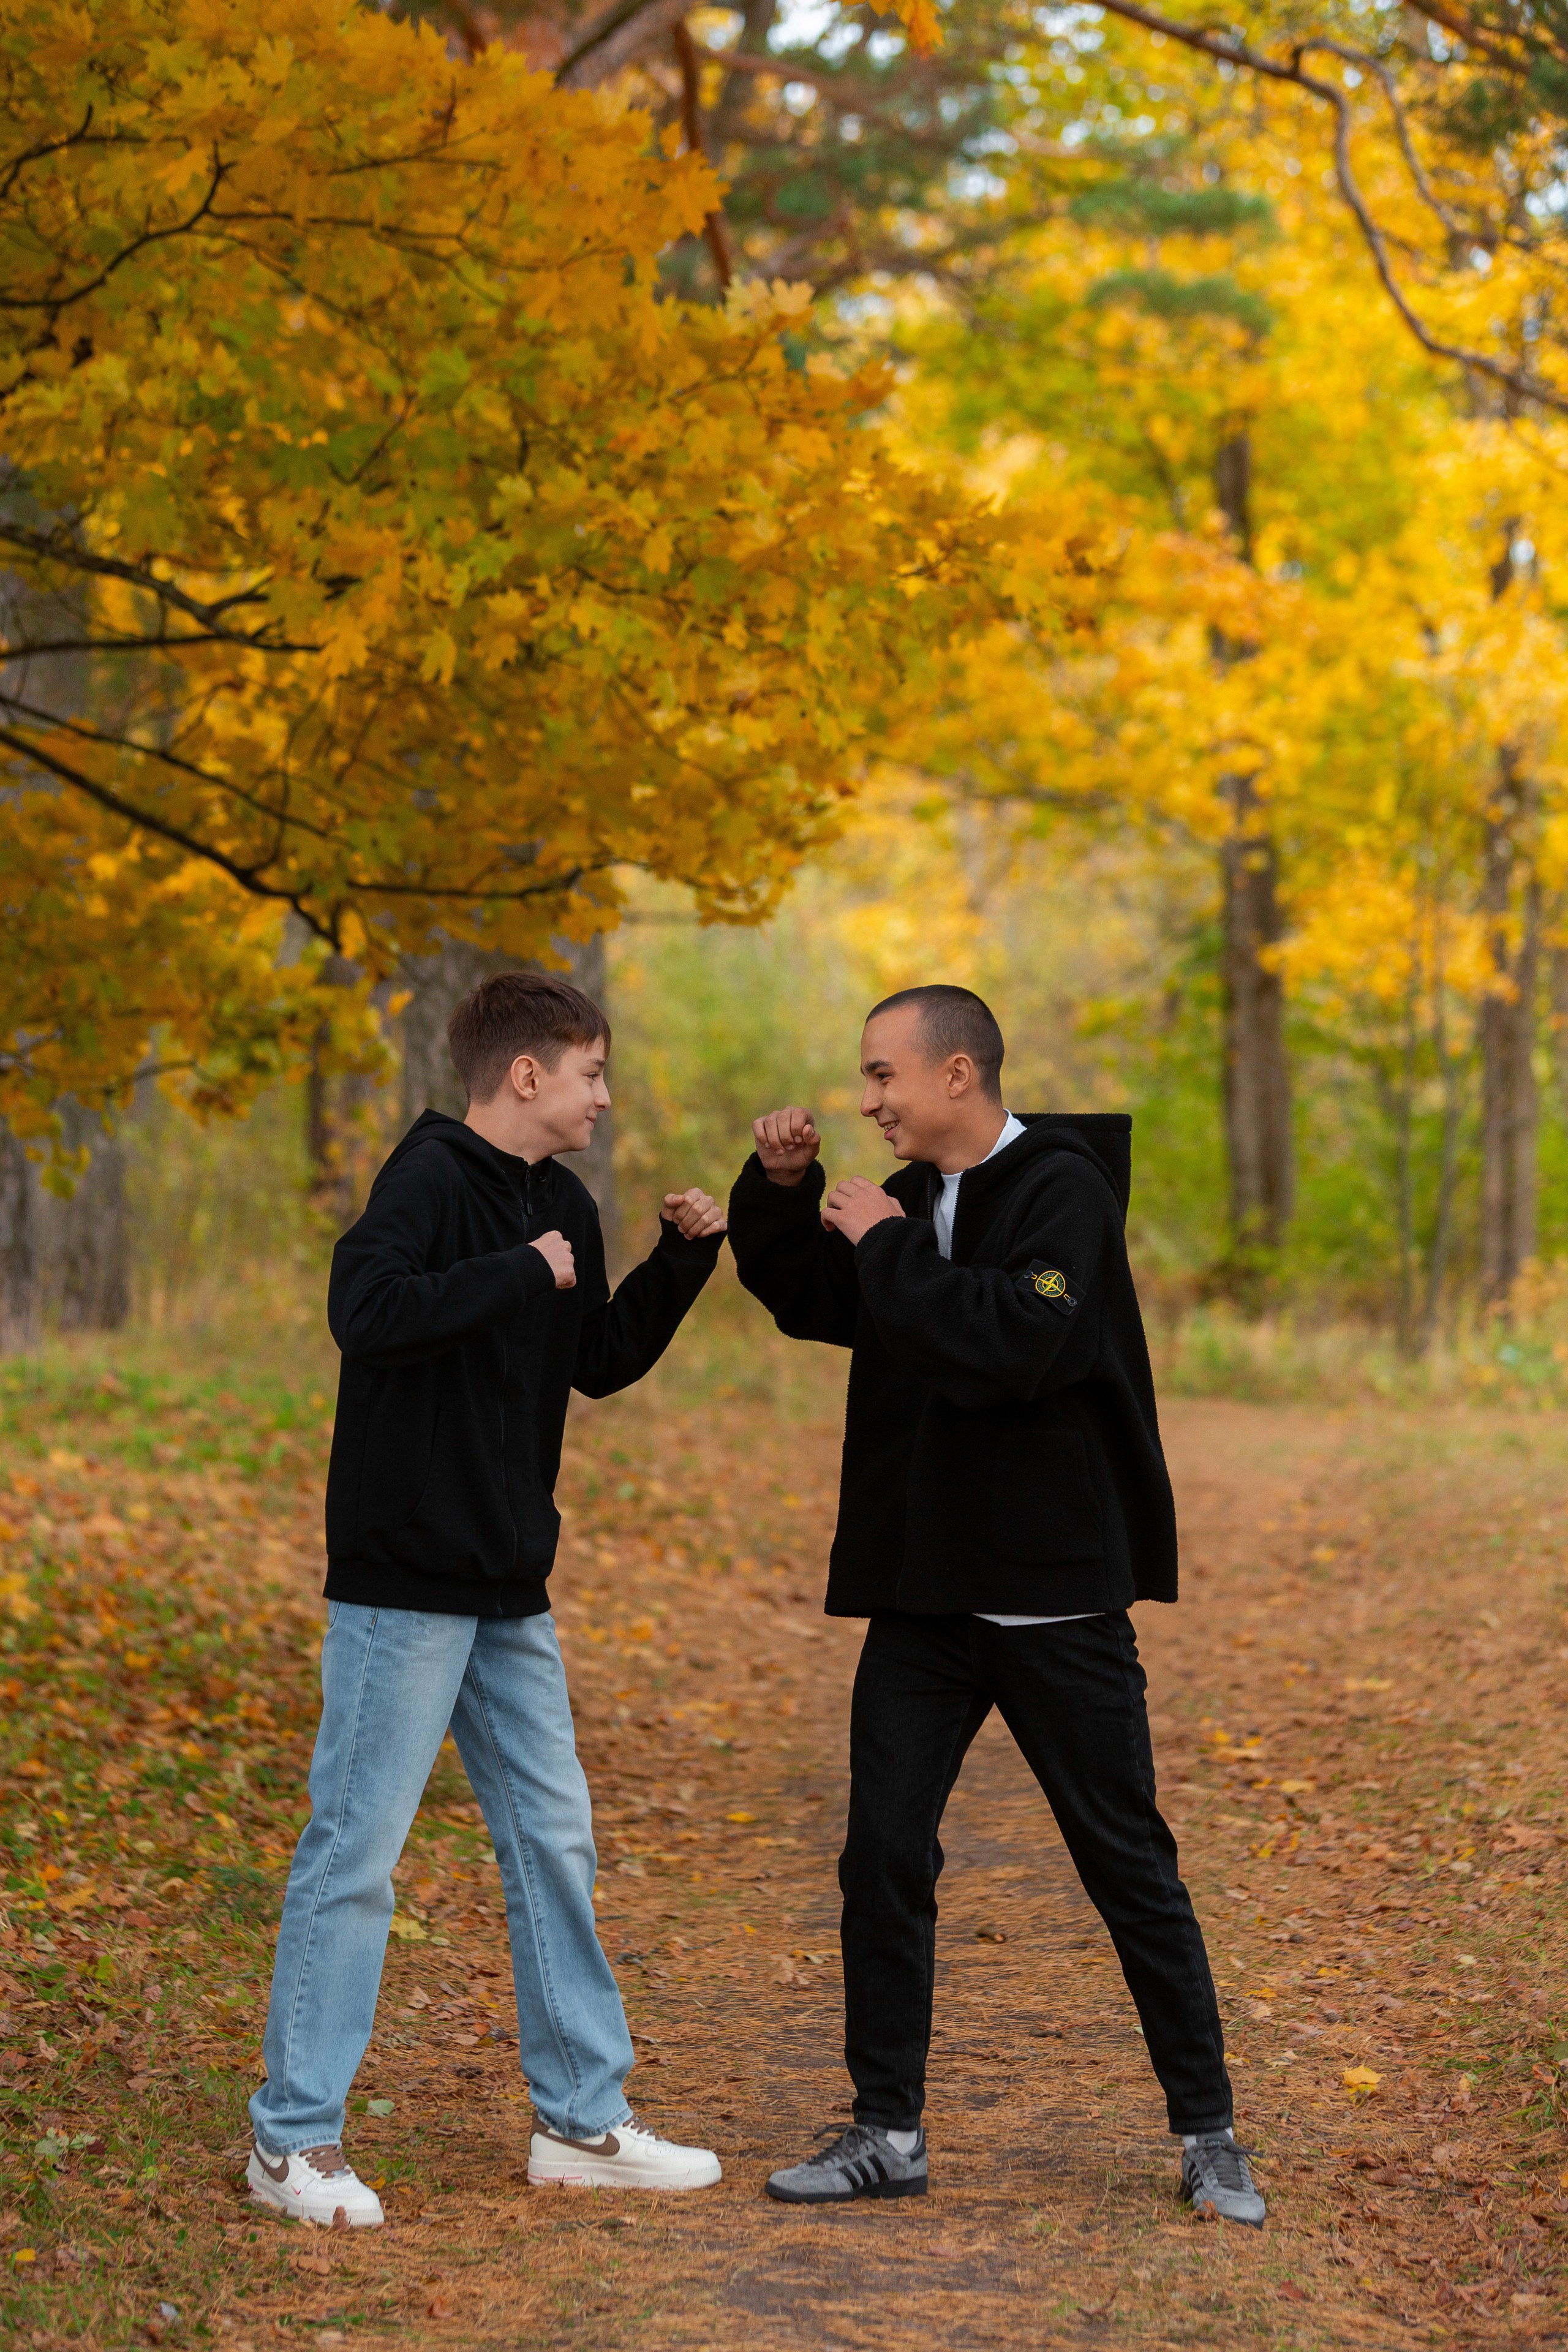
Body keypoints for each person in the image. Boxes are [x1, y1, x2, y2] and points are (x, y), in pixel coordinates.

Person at [726, 984, 1264, 2226]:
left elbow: (1018, 1346)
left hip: (1053, 1604)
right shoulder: (904, 1205)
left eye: (881, 1078)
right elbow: (821, 1301)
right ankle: (885, 2130)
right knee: (880, 1858)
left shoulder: (1061, 1190)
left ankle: (1208, 2136)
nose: (864, 1102)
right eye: (860, 1083)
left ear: (955, 1074)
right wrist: (781, 1194)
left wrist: (882, 1244)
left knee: (1126, 1863)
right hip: (927, 1597)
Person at [247, 971, 727, 2225]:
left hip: (511, 1589)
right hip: (404, 1583)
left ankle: (580, 2120)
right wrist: (522, 1272)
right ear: (526, 1074)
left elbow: (599, 1361)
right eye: (590, 1074)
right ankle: (289, 2143)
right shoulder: (427, 1179)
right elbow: (366, 1308)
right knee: (356, 1856)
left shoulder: (561, 1200)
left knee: (552, 1843)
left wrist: (685, 1261)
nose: (603, 1100)